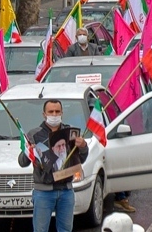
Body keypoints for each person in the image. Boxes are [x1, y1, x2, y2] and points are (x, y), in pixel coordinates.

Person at [18, 99, 90, 232]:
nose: (54, 114)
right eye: (51, 112)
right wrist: (28, 151)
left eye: (57, 111)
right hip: (43, 192)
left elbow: (81, 159)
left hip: (66, 191)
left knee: (66, 229)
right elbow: (22, 163)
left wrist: (84, 146)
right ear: (44, 114)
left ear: (62, 113)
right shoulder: (34, 134)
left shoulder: (71, 132)